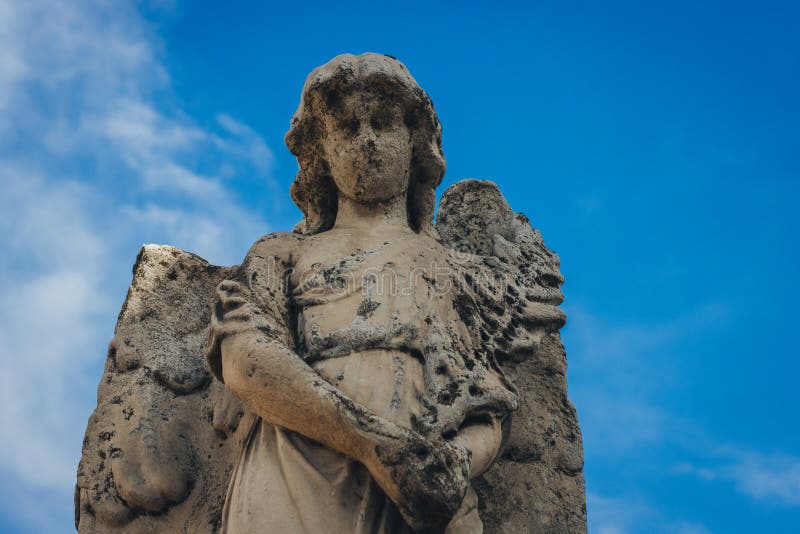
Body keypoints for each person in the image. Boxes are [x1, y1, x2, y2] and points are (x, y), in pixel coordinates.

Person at [206, 53, 517, 533]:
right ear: (321, 151)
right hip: (297, 467)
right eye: (347, 127)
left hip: (420, 486)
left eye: (383, 123)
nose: (366, 140)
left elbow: (486, 404)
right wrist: (371, 442)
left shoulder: (453, 270)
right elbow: (246, 359)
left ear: (416, 141)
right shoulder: (281, 253)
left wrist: (452, 465)